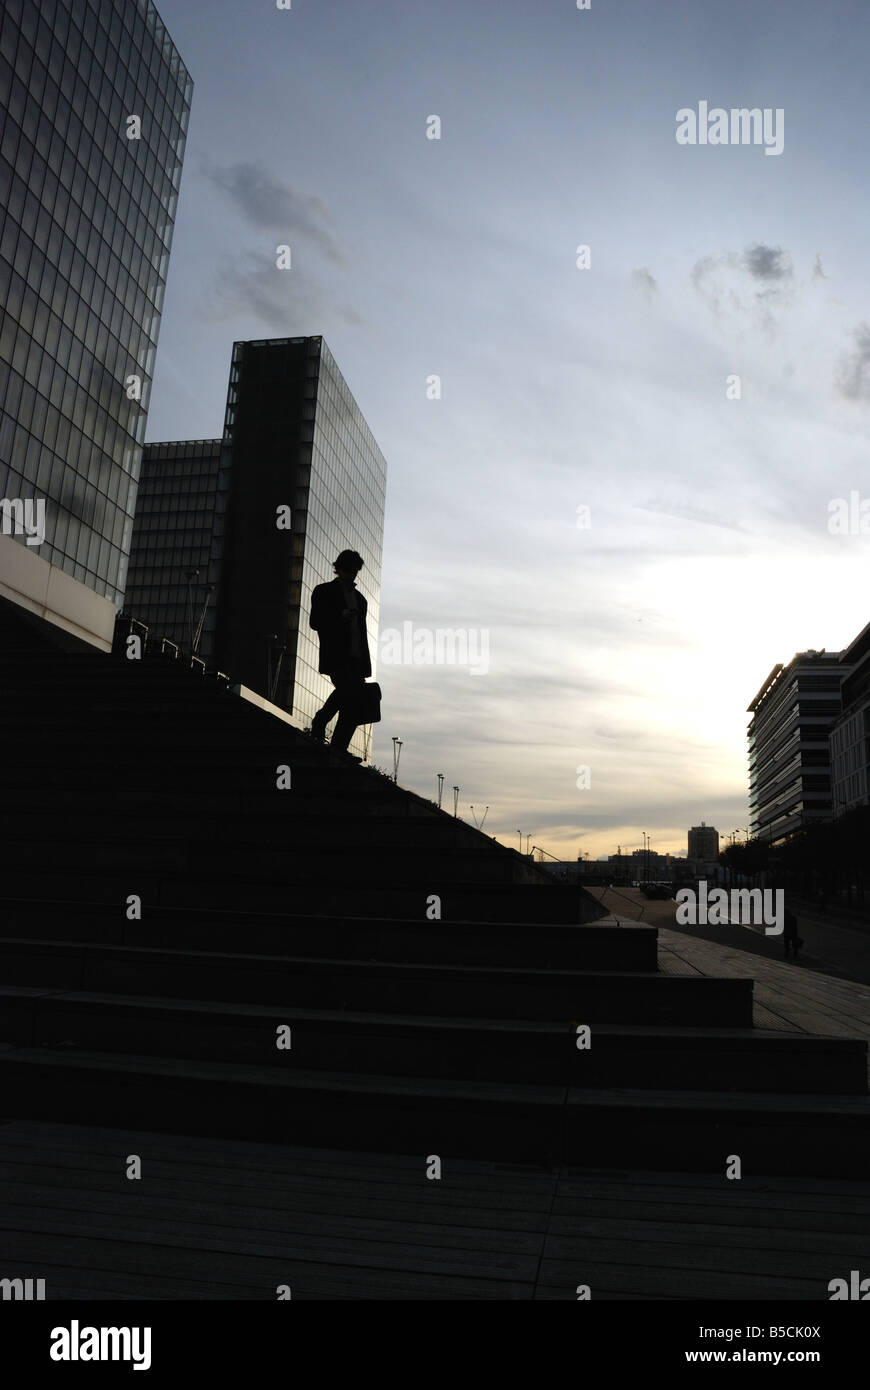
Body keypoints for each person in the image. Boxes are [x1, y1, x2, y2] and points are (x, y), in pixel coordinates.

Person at [308, 550, 371, 755]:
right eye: (350, 570)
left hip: (357, 658)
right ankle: (321, 720)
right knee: (347, 691)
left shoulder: (360, 600)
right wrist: (339, 616)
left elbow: (362, 635)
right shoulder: (323, 591)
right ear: (340, 568)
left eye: (355, 571)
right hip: (336, 655)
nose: (353, 574)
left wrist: (365, 665)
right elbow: (315, 622)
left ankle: (339, 746)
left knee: (352, 701)